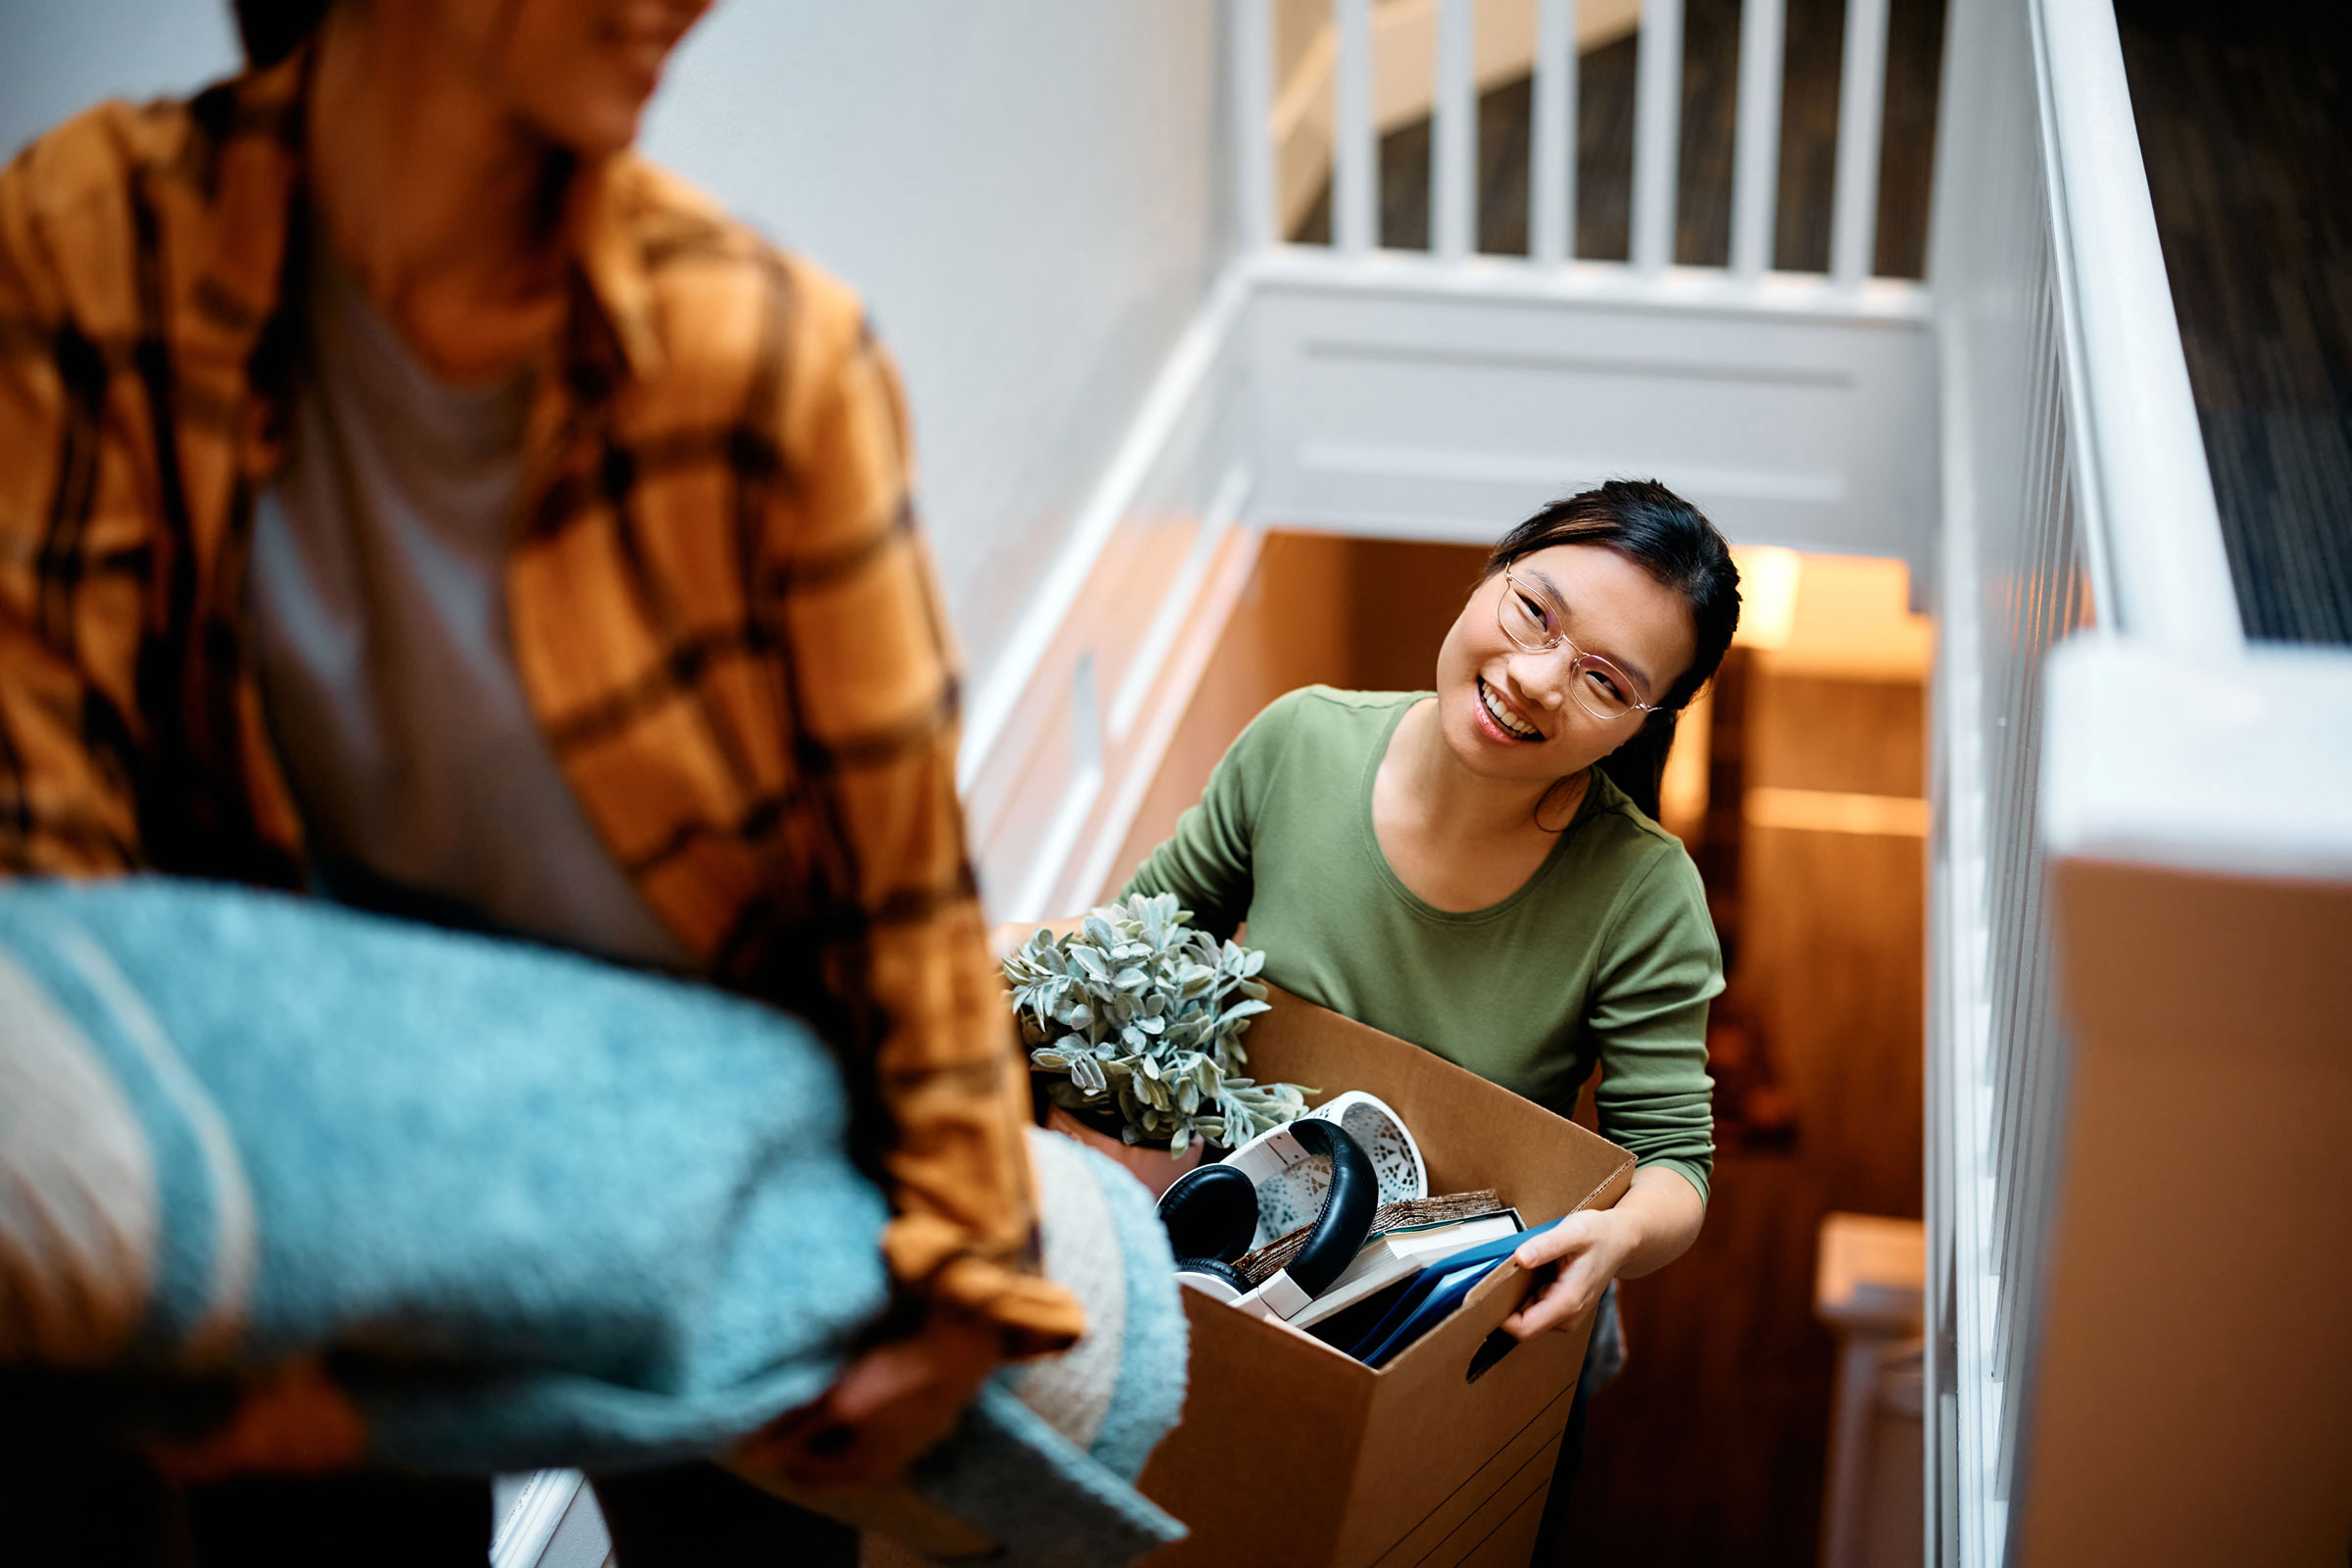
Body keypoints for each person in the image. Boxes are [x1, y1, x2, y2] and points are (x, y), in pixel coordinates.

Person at [0, 0, 1079, 1561]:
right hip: (323, 1132)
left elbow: (900, 882)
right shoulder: (87, 248)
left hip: (712, 1150)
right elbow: (57, 846)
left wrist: (974, 1270)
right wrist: (197, 1277)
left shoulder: (769, 364)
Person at [1119, 479, 1739, 1546]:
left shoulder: (1643, 892)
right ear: (1494, 568)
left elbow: (1676, 1161)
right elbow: (1137, 940)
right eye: (1535, 610)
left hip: (1465, 1317)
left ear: (1648, 716)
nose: (1536, 679)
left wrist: (1617, 1233)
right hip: (1246, 1269)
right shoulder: (1297, 745)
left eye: (1605, 680)